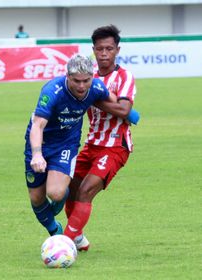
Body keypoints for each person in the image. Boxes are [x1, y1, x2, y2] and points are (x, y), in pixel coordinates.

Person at [24, 54, 138, 237]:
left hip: (66, 144)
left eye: (86, 80)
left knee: (56, 193)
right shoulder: (52, 91)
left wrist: (131, 114)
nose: (82, 86)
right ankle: (55, 230)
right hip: (40, 143)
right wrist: (37, 154)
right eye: (76, 81)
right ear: (67, 77)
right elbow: (37, 126)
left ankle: (61, 240)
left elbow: (112, 99)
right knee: (37, 198)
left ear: (92, 77)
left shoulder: (96, 87)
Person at [63, 25, 138, 251]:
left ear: (117, 50)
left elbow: (125, 111)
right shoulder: (88, 78)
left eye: (109, 48)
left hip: (115, 146)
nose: (104, 53)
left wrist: (91, 98)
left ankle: (64, 242)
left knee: (86, 191)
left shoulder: (124, 76)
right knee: (70, 190)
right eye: (100, 49)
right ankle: (77, 237)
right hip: (91, 143)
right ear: (93, 51)